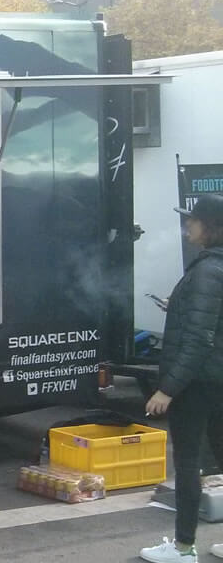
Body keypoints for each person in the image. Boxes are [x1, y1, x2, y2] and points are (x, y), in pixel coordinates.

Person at [138, 193, 223, 563]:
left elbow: (199, 338)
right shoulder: (216, 268)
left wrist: (167, 389)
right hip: (217, 379)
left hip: (197, 384)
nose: (188, 224)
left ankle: (184, 547)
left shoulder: (207, 271)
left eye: (193, 219)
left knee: (188, 464)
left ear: (210, 226)